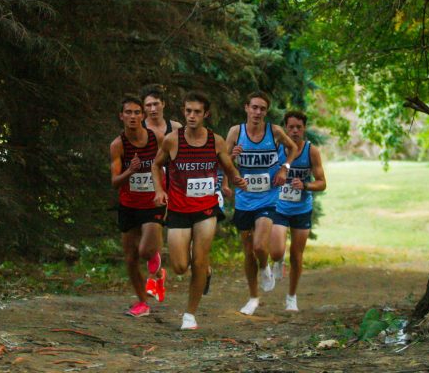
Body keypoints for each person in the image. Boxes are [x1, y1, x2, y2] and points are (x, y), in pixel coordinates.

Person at [152, 91, 247, 330]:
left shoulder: (216, 140)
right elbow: (156, 165)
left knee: (199, 259)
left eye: (196, 112)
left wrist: (236, 179)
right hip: (178, 209)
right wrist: (159, 191)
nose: (191, 116)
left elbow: (228, 166)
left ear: (206, 114)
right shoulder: (172, 140)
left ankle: (189, 315)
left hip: (206, 208)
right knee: (180, 266)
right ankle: (206, 271)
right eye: (188, 111)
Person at [225, 91, 298, 316]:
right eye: (254, 107)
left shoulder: (274, 131)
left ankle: (265, 266)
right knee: (248, 252)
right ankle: (253, 297)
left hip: (268, 197)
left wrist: (285, 168)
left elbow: (293, 149)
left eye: (262, 109)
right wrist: (232, 157)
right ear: (246, 108)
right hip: (244, 199)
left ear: (266, 112)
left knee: (258, 246)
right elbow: (223, 159)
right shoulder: (236, 132)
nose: (258, 112)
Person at [109, 96, 167, 317]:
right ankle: (143, 302)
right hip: (129, 205)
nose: (132, 117)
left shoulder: (157, 138)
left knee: (146, 251)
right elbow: (114, 182)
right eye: (128, 113)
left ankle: (156, 265)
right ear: (121, 116)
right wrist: (129, 171)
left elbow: (171, 164)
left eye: (136, 112)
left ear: (143, 116)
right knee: (131, 258)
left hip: (153, 202)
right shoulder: (117, 145)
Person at [269, 111, 326, 311]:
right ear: (285, 128)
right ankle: (277, 260)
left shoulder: (311, 151)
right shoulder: (276, 148)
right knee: (276, 251)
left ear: (304, 129)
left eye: (298, 127)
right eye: (291, 127)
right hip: (279, 206)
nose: (294, 131)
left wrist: (305, 185)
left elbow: (322, 183)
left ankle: (291, 296)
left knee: (297, 255)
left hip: (301, 208)